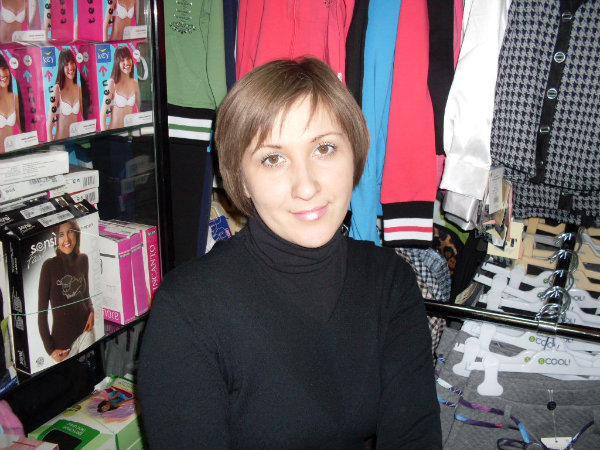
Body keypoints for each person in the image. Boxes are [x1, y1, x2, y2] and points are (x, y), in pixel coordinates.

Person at [137, 57, 441, 449]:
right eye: (273, 159)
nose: (306, 186)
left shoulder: (388, 280)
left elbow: (415, 436)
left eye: (324, 148)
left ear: (354, 154)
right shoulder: (188, 310)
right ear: (242, 180)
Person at [38, 221, 95, 363]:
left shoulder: (83, 259)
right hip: (63, 345)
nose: (66, 239)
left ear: (76, 234)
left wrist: (91, 311)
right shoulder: (49, 266)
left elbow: (86, 294)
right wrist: (50, 350)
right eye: (61, 235)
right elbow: (42, 313)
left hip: (86, 332)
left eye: (70, 232)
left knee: (90, 373)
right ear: (55, 239)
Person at [100, 46, 139, 131]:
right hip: (114, 133)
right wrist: (105, 136)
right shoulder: (111, 84)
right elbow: (103, 116)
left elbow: (141, 111)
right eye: (122, 60)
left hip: (130, 133)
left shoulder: (135, 83)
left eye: (128, 58)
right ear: (117, 63)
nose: (126, 62)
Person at [47, 49, 83, 141]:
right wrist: (51, 146)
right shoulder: (57, 89)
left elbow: (83, 117)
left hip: (76, 141)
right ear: (61, 67)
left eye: (72, 63)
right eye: (66, 64)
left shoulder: (78, 88)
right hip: (60, 143)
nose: (70, 67)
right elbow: (49, 124)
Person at [0, 53, 19, 153]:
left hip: (13, 154)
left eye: (4, 68)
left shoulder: (15, 98)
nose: (2, 73)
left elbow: (22, 131)